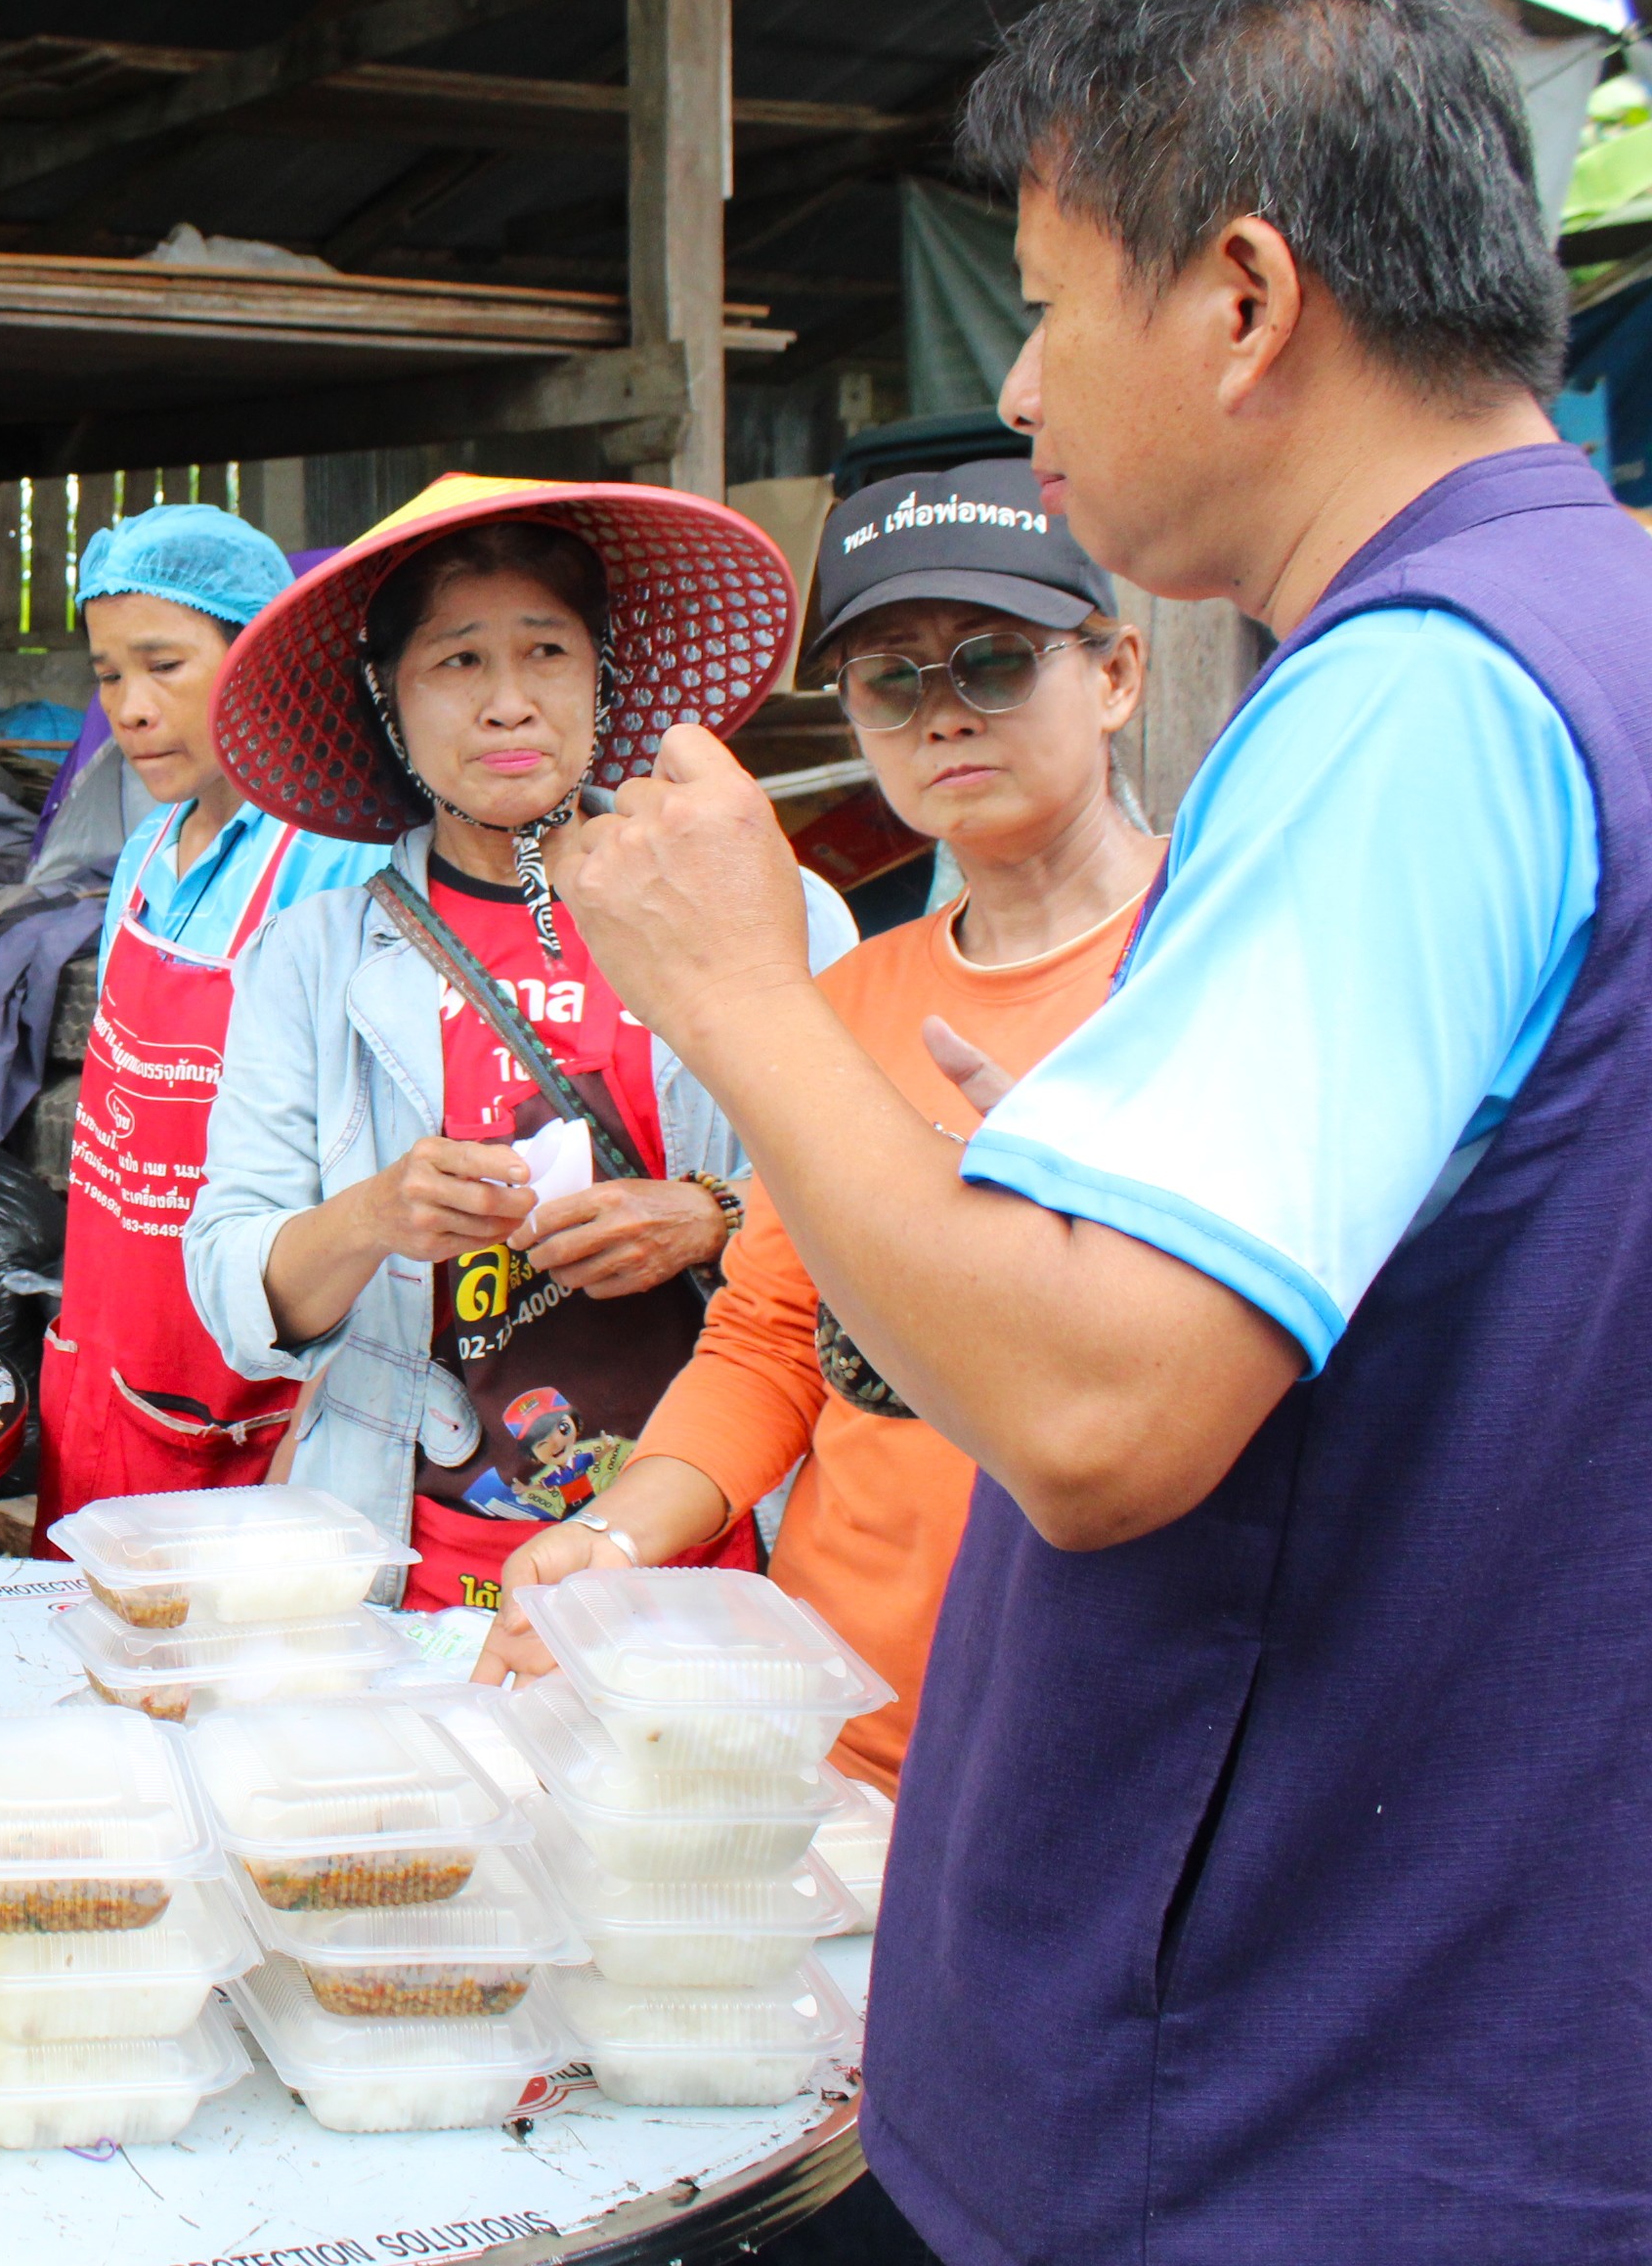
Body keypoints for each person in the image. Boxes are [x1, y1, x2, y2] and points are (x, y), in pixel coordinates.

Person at [554, 0, 1652, 2264]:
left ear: (1244, 298)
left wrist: (744, 994)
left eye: (1052, 305)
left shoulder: (1413, 702)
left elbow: (1096, 1417)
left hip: (1283, 2085)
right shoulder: (1617, 637)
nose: (1032, 388)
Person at [474, 464, 1160, 1792]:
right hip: (841, 1731)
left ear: (1117, 674)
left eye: (995, 665)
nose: (943, 715)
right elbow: (775, 1339)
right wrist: (612, 1544)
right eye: (890, 682)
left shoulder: (1216, 972)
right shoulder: (837, 1003)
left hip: (1113, 1749)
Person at [182, 476, 856, 1608]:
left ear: (602, 675)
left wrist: (713, 1218)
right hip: (425, 1567)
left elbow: (874, 1207)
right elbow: (233, 1290)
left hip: (726, 1551)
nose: (508, 703)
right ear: (386, 702)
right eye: (457, 661)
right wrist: (375, 1215)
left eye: (546, 651)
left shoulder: (771, 911)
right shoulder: (313, 957)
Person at [34, 504, 383, 1526]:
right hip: (109, 1356)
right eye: (108, 676)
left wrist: (316, 1419)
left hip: (249, 1400)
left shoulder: (335, 867)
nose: (130, 709)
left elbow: (358, 1166)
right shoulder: (143, 860)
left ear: (257, 657)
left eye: (165, 665)